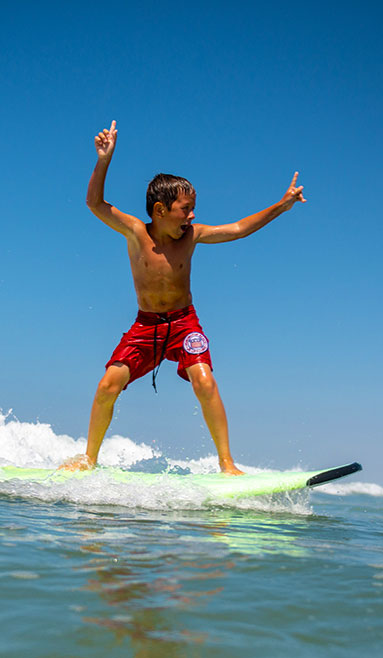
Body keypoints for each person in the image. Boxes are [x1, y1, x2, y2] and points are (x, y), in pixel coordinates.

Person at [62, 120, 305, 475]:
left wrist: (280, 206)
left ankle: (227, 464)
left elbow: (237, 229)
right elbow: (94, 203)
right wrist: (104, 159)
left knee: (205, 382)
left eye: (193, 208)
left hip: (183, 323)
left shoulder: (191, 236)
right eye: (185, 209)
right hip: (145, 327)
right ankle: (89, 460)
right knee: (107, 386)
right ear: (160, 210)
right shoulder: (134, 232)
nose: (192, 216)